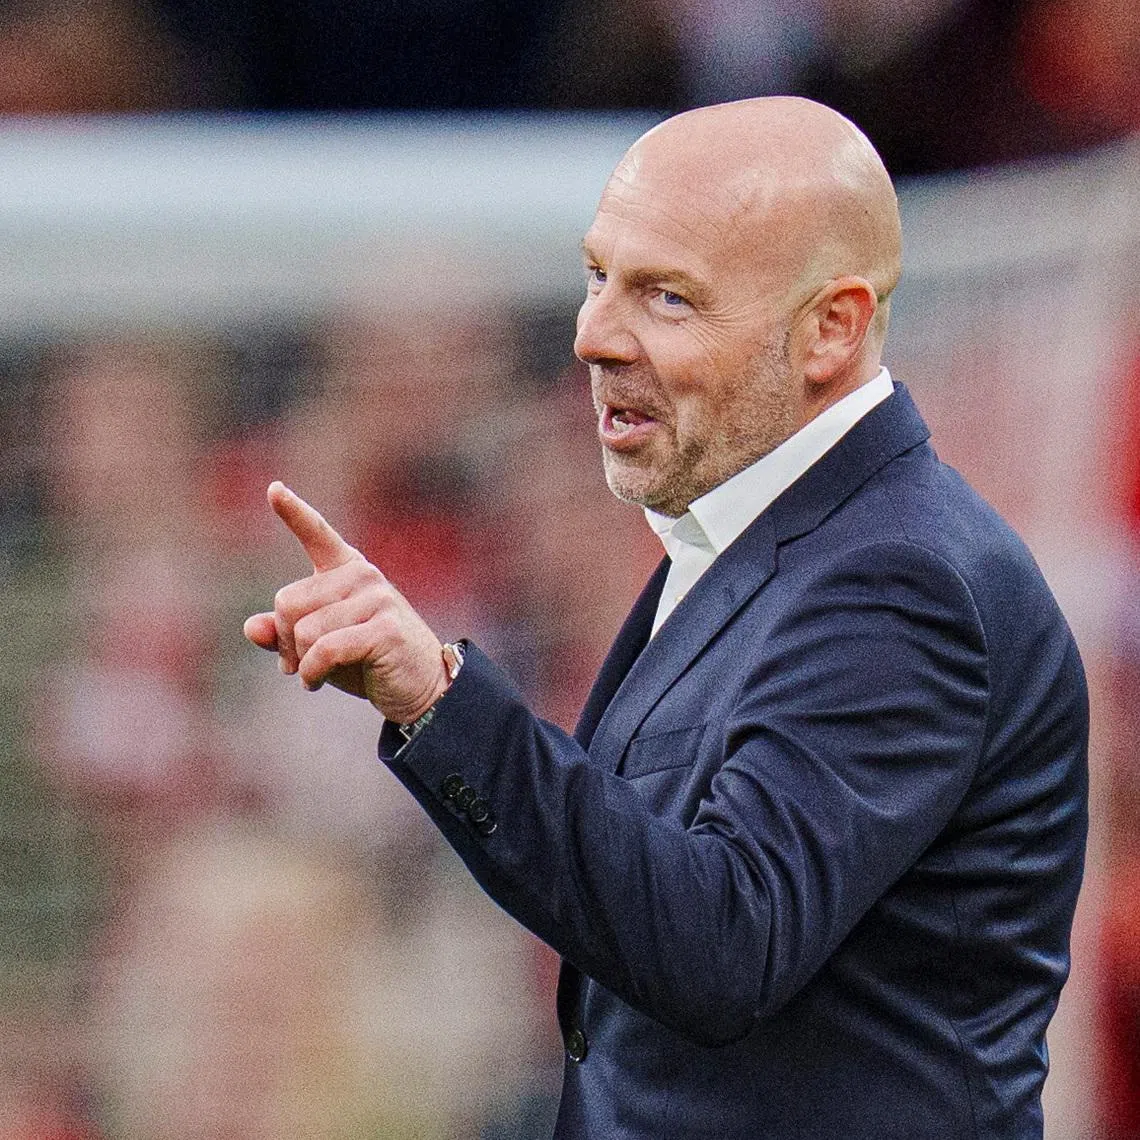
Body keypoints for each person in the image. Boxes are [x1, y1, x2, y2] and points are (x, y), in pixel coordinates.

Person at [243, 97, 1088, 1139]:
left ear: (831, 328)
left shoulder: (897, 581)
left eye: (668, 297)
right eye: (600, 275)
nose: (593, 335)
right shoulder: (761, 537)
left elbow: (719, 942)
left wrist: (440, 699)